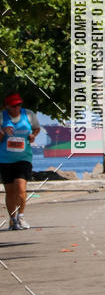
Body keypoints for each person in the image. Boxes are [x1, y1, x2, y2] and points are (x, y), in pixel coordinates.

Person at [0, 93, 40, 230]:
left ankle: (21, 216)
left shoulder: (29, 115)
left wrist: (33, 136)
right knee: (10, 192)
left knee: (21, 189)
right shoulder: (1, 117)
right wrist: (2, 133)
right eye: (13, 106)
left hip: (24, 158)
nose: (17, 108)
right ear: (7, 106)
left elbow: (36, 128)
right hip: (5, 159)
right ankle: (12, 219)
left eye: (19, 105)